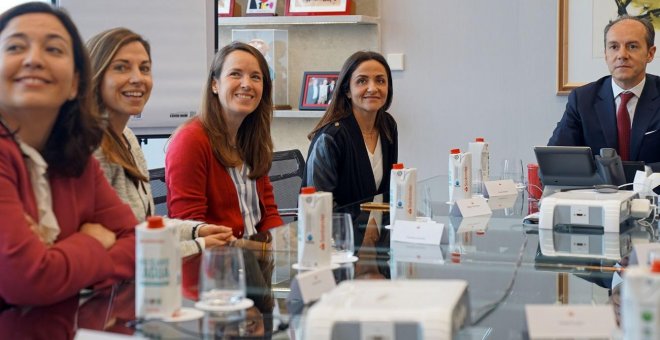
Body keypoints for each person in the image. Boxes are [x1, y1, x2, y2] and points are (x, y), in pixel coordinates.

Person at [0, 2, 135, 306]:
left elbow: (137, 243)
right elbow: (28, 281)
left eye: (54, 50)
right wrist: (92, 241)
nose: (34, 59)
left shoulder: (78, 159)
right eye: (15, 47)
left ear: (75, 84)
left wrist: (54, 259)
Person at [87, 27, 235, 258]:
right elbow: (120, 249)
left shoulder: (126, 136)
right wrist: (199, 245)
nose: (138, 79)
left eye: (144, 68)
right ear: (94, 75)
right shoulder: (89, 146)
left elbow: (146, 226)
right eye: (121, 67)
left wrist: (197, 230)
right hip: (106, 290)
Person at [166, 41, 283, 299]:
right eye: (235, 74)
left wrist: (282, 244)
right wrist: (258, 250)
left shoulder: (252, 138)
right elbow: (192, 225)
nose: (247, 84)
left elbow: (269, 211)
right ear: (214, 84)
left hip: (255, 272)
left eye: (256, 77)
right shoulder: (190, 140)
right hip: (211, 282)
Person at [548, 15, 660, 170]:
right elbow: (554, 161)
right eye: (614, 47)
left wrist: (640, 178)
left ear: (650, 53)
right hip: (598, 193)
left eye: (632, 46)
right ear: (606, 54)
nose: (622, 55)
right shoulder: (582, 100)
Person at [303, 51, 398, 210]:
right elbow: (317, 206)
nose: (373, 88)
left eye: (380, 80)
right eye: (362, 81)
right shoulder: (331, 137)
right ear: (347, 90)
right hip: (337, 231)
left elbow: (388, 191)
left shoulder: (388, 125)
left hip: (374, 227)